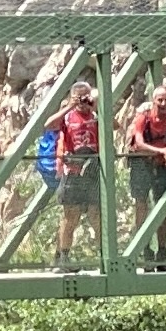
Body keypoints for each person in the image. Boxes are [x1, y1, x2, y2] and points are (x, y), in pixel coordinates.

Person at [123, 87, 166, 268]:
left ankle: (162, 252)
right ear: (153, 100)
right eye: (160, 100)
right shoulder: (144, 118)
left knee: (162, 208)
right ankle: (144, 250)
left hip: (161, 167)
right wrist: (164, 151)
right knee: (141, 206)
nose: (163, 104)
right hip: (141, 164)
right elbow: (139, 143)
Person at [47, 80, 104, 264]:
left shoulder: (95, 115)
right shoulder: (67, 117)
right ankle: (63, 257)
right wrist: (69, 106)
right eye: (78, 97)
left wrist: (96, 108)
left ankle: (104, 256)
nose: (82, 101)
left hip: (92, 171)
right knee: (71, 216)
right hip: (73, 171)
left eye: (85, 96)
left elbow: (114, 126)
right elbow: (48, 125)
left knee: (96, 215)